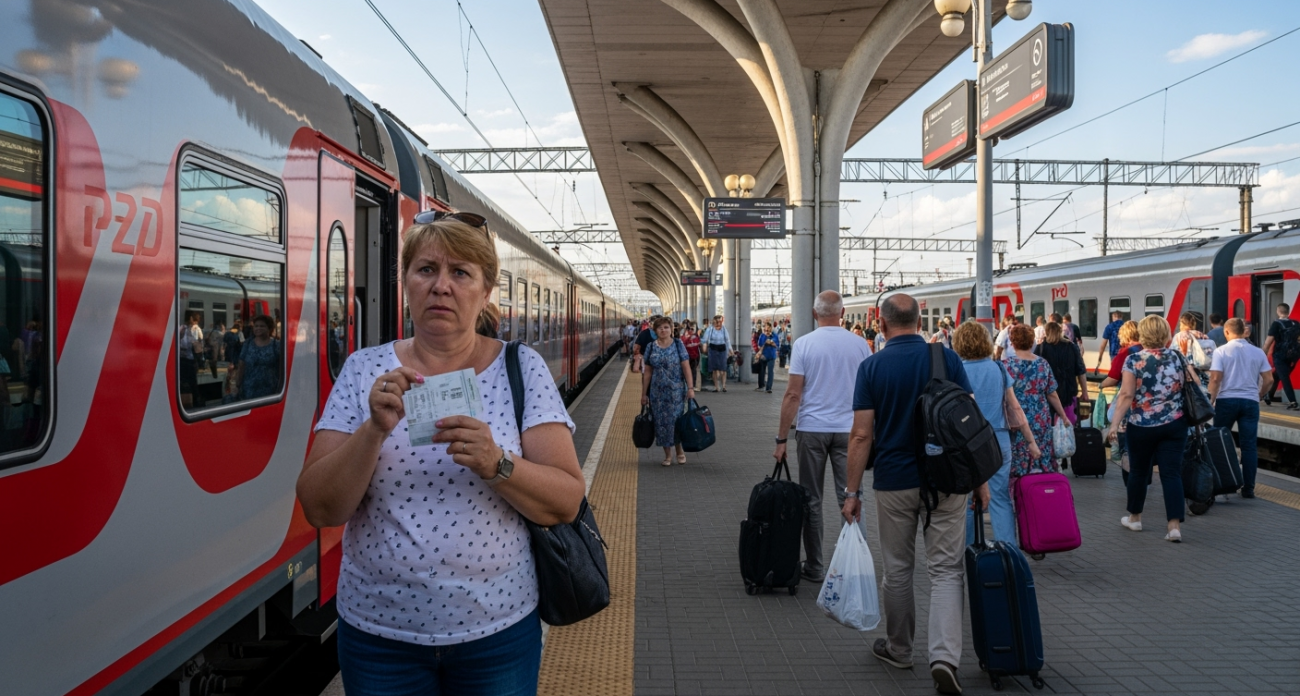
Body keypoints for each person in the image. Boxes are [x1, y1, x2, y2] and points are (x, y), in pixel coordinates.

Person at [298, 212, 584, 695]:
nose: (441, 286)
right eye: (426, 269)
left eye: (461, 272)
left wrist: (498, 463)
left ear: (486, 291)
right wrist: (373, 430)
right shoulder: (364, 370)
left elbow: (566, 500)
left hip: (497, 632)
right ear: (406, 283)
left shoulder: (522, 367)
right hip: (378, 636)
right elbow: (319, 507)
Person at [842, 294, 987, 695]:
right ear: (921, 323)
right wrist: (980, 480)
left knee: (897, 569)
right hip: (948, 480)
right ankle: (944, 659)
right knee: (946, 571)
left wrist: (851, 492)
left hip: (894, 481)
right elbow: (970, 423)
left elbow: (861, 435)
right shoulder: (947, 359)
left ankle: (900, 649)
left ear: (881, 325)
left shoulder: (872, 367)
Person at [774, 291, 872, 583]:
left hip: (812, 430)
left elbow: (793, 394)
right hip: (850, 432)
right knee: (852, 496)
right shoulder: (860, 345)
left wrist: (781, 439)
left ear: (814, 314)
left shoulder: (804, 344)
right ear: (843, 314)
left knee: (811, 499)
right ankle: (854, 568)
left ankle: (815, 567)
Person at [1107, 315, 1193, 542]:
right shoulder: (1177, 357)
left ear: (1143, 334)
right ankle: (1174, 527)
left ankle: (1135, 518)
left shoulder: (1133, 359)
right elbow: (1193, 383)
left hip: (1141, 425)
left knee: (1138, 471)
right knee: (1171, 474)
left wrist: (1114, 424)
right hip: (1174, 424)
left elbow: (1126, 395)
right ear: (1165, 334)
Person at [953, 320, 1040, 544]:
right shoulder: (999, 369)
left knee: (969, 500)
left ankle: (970, 551)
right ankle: (1008, 551)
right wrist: (1030, 441)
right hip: (999, 441)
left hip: (968, 443)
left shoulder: (957, 372)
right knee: (1000, 497)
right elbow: (1015, 407)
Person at [1208, 318, 1272, 500]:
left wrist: (1211, 400)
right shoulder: (1258, 352)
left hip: (1226, 401)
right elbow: (1269, 380)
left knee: (1218, 443)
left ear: (1226, 332)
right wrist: (1259, 395)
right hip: (1250, 402)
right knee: (1249, 446)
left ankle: (1222, 485)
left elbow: (1215, 379)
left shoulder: (1221, 351)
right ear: (1244, 331)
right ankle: (1248, 489)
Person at [1004, 325, 1070, 478]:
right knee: (1041, 455)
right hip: (1040, 417)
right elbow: (1052, 394)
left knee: (1019, 455)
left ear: (1012, 342)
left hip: (1016, 419)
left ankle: (1020, 487)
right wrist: (1063, 415)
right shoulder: (1042, 364)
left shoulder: (1006, 365)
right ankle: (1040, 487)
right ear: (1032, 342)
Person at [641, 316, 695, 466]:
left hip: (676, 391)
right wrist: (644, 394)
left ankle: (679, 451)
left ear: (671, 329)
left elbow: (686, 367)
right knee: (661, 423)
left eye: (666, 327)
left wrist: (690, 388)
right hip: (657, 393)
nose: (663, 330)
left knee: (676, 422)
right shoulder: (651, 347)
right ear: (655, 331)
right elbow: (648, 372)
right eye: (660, 328)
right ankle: (667, 455)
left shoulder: (678, 344)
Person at [1033, 322, 1089, 424]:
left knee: (1049, 424)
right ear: (1060, 332)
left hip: (1047, 394)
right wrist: (1084, 392)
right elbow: (1081, 371)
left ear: (1046, 332)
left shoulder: (1040, 348)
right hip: (1068, 392)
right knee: (1068, 424)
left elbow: (1035, 373)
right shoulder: (1072, 347)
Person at [229, 315, 282, 401]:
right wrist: (237, 385)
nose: (258, 328)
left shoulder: (276, 345)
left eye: (262, 326)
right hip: (249, 389)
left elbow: (281, 367)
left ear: (269, 328)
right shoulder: (248, 343)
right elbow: (242, 365)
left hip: (270, 391)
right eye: (256, 326)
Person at [1262, 303, 1299, 409]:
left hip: (1280, 355)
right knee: (1278, 374)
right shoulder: (1296, 324)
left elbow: (1268, 342)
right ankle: (1269, 395)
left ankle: (1293, 401)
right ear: (1288, 311)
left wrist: (1262, 354)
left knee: (1284, 377)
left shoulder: (1276, 324)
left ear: (1278, 311)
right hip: (1294, 355)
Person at [178, 312, 204, 409]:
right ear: (191, 319)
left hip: (182, 359)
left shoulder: (181, 328)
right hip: (190, 359)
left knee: (183, 381)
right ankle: (195, 401)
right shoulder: (194, 329)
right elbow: (199, 345)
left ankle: (184, 402)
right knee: (193, 382)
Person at [701, 315, 733, 393]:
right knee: (714, 369)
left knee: (723, 369)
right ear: (714, 322)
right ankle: (716, 387)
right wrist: (704, 346)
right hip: (713, 349)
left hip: (722, 349)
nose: (719, 324)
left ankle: (724, 386)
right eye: (717, 322)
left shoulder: (724, 329)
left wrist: (730, 350)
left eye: (720, 322)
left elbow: (727, 340)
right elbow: (704, 339)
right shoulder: (710, 329)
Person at [753, 322, 778, 392]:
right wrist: (765, 343)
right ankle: (761, 385)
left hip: (771, 356)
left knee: (770, 372)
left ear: (771, 328)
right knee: (761, 371)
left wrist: (771, 343)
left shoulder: (774, 335)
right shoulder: (762, 336)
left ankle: (768, 387)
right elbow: (759, 345)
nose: (767, 331)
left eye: (768, 329)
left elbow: (777, 345)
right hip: (763, 356)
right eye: (766, 329)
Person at [681, 322, 701, 389]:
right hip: (686, 356)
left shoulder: (697, 337)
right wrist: (688, 337)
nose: (690, 330)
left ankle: (693, 385)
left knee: (693, 371)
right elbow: (683, 343)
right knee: (685, 370)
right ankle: (686, 384)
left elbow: (699, 345)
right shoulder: (684, 336)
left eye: (692, 329)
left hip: (694, 356)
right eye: (689, 329)